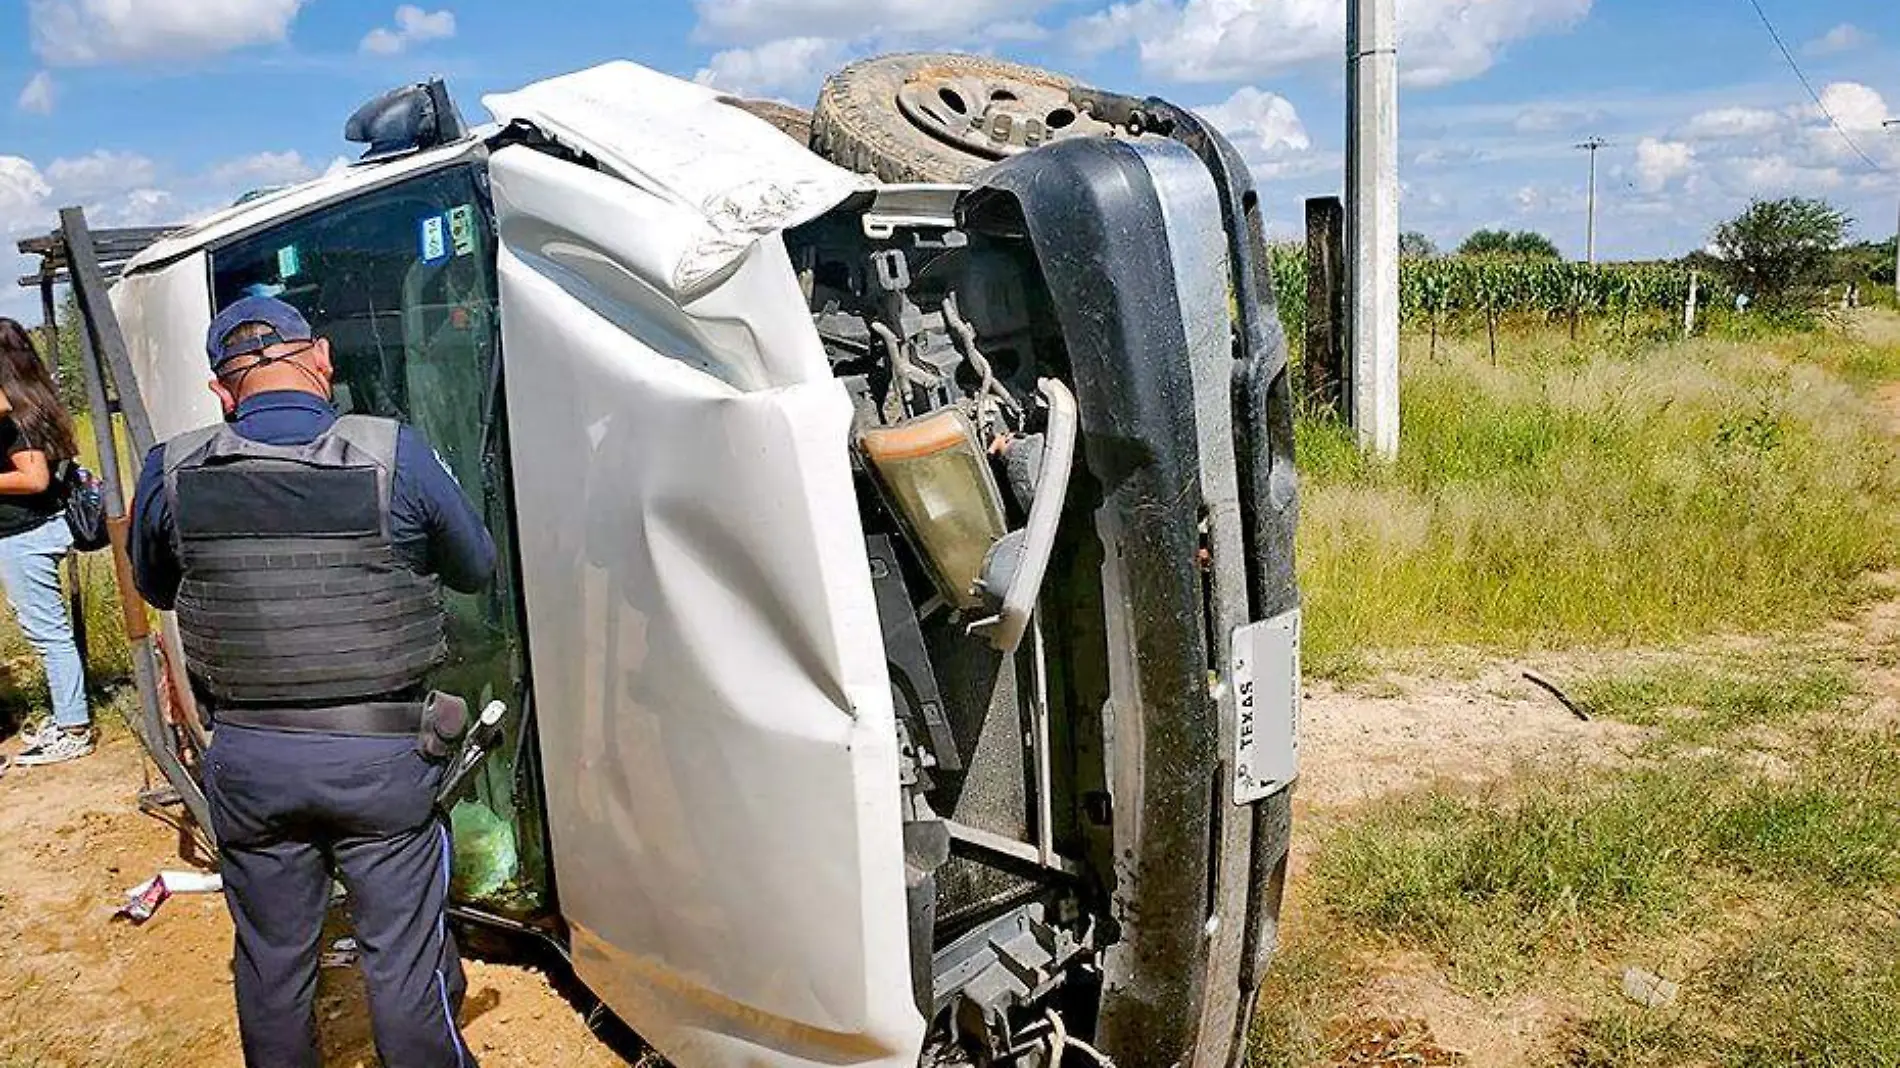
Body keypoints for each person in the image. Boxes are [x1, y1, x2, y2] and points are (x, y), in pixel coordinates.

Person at [130, 296, 496, 1068]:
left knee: (271, 963)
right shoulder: (394, 452)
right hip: (382, 762)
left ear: (221, 391)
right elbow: (475, 567)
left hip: (250, 760)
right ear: (321, 357)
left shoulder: (173, 466)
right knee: (401, 958)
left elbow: (157, 587)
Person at [0, 318, 92, 766]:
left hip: (25, 534)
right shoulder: (35, 401)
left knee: (48, 635)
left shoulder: (15, 416)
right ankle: (67, 718)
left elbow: (33, 478)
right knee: (48, 632)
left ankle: (74, 729)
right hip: (39, 529)